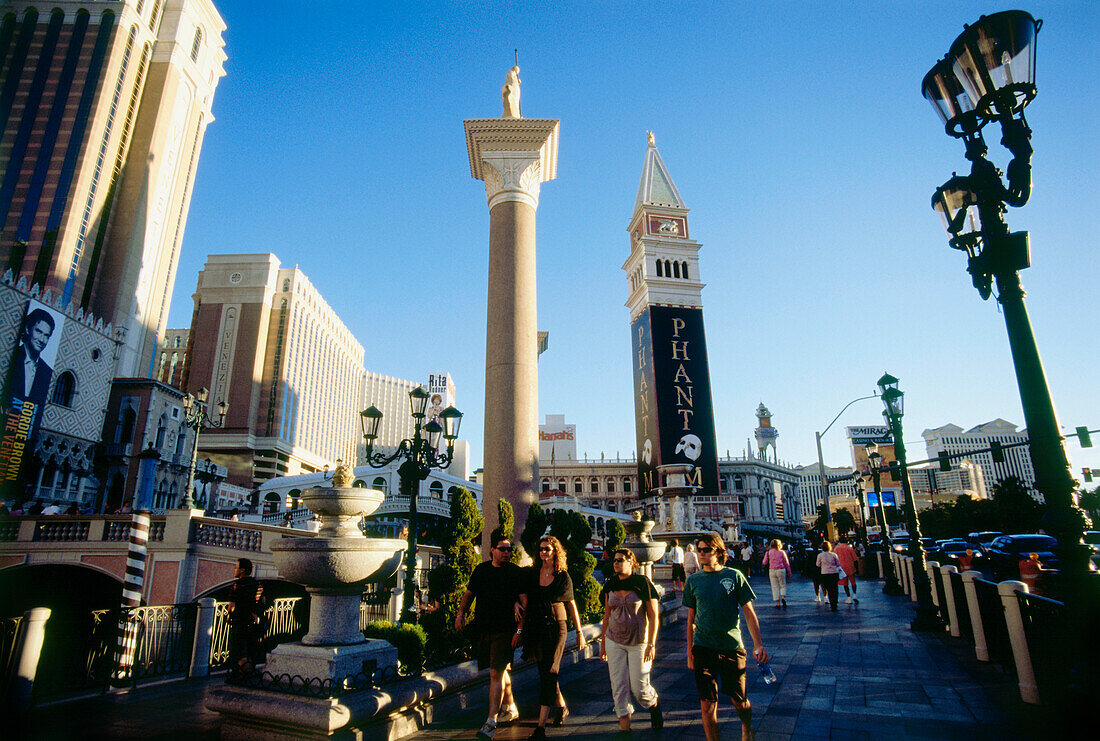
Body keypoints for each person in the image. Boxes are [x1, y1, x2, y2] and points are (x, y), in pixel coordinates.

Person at [684, 533, 769, 741]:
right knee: (707, 704)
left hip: (731, 646)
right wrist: (689, 650)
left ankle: (746, 726)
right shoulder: (693, 580)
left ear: (718, 552)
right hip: (703, 647)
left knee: (739, 700)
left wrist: (758, 644)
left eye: (706, 550)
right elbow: (690, 619)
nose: (701, 554)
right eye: (699, 550)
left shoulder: (734, 576)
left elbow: (749, 612)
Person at [456, 531, 525, 740]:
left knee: (495, 673)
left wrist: (520, 630)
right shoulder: (481, 570)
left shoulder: (515, 572)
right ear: (492, 550)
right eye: (502, 549)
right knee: (500, 671)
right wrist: (460, 614)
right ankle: (511, 707)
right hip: (484, 628)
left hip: (505, 631)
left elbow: (524, 603)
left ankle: (491, 721)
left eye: (509, 549)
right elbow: (469, 595)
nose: (506, 553)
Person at [517, 535, 586, 740]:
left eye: (547, 549)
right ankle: (562, 707)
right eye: (541, 549)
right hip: (537, 626)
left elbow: (572, 605)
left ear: (555, 551)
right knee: (545, 672)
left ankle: (540, 727)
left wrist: (580, 632)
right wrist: (515, 603)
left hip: (557, 627)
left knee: (550, 670)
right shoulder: (533, 574)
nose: (543, 552)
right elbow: (522, 594)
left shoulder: (563, 576)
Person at [599, 548, 663, 733]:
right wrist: (603, 644)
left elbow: (653, 616)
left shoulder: (642, 583)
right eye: (614, 560)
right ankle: (625, 730)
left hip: (639, 642)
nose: (616, 563)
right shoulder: (610, 584)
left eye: (620, 560)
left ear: (631, 562)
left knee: (640, 688)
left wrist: (651, 644)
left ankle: (653, 703)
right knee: (618, 687)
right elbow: (606, 615)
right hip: (614, 640)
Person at [9, 308, 55, 407]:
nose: (42, 340)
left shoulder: (46, 371)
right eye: (38, 332)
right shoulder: (13, 355)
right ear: (27, 329)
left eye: (46, 335)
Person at [227, 558, 266, 675]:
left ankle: (243, 676)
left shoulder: (236, 586)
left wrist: (230, 616)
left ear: (242, 570)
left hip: (239, 621)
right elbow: (263, 602)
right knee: (250, 650)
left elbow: (231, 607)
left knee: (240, 652)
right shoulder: (258, 585)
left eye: (236, 567)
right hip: (253, 622)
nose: (234, 570)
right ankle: (250, 673)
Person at [762, 539, 792, 609]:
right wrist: (789, 572)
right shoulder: (782, 552)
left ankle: (778, 603)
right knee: (782, 585)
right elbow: (786, 563)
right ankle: (783, 597)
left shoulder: (768, 552)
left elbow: (764, 562)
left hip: (772, 570)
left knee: (774, 586)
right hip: (781, 570)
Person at [816, 541, 842, 611]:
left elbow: (818, 564)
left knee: (828, 589)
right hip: (834, 573)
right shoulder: (834, 555)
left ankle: (831, 602)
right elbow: (838, 563)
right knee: (835, 589)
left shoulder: (820, 555)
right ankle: (835, 603)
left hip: (825, 573)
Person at [834, 537, 860, 604]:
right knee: (853, 582)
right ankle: (854, 595)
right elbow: (855, 559)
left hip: (842, 568)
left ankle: (848, 597)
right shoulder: (849, 548)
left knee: (845, 583)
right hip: (850, 566)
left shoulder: (836, 549)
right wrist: (856, 568)